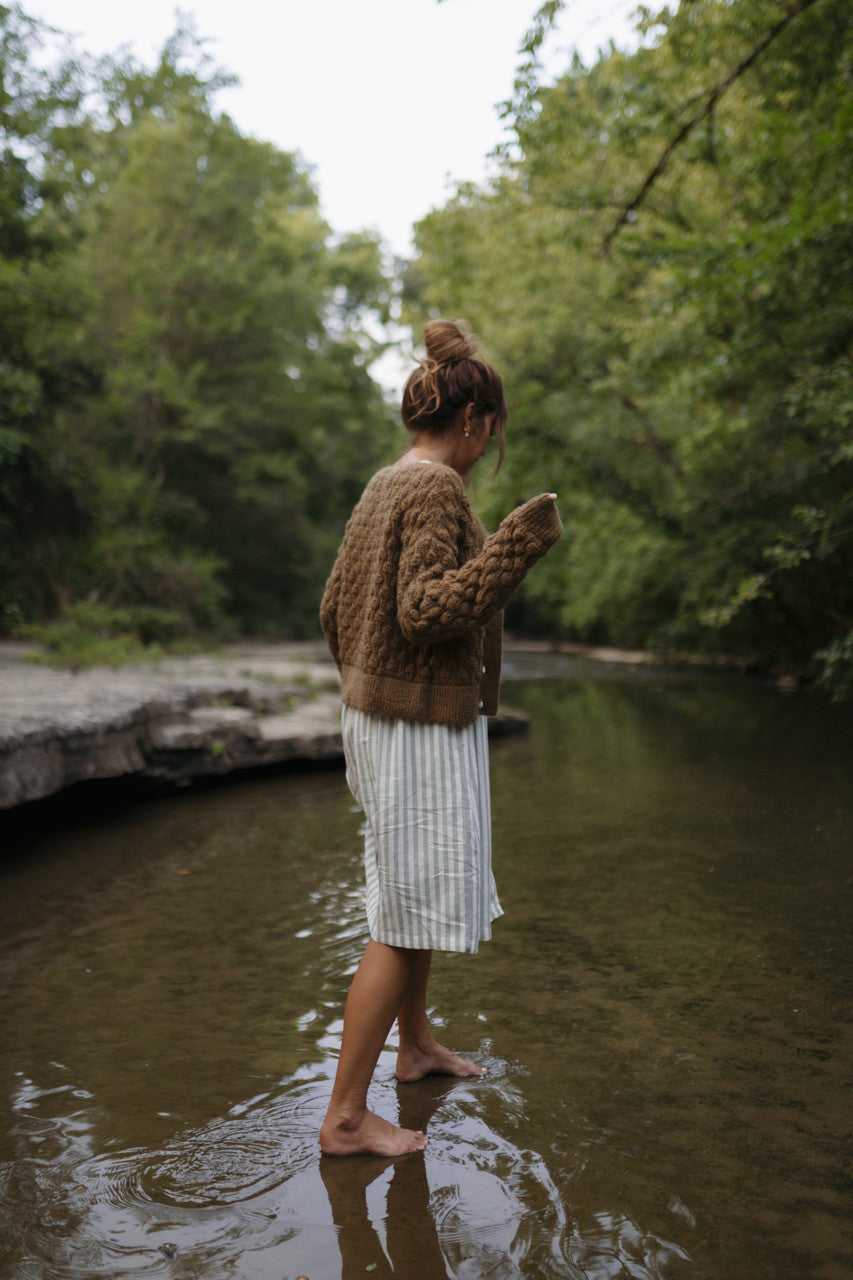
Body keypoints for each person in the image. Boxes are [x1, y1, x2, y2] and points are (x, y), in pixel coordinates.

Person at [318, 319, 562, 1157]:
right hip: (415, 723)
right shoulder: (434, 491)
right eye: (493, 429)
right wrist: (515, 547)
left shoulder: (384, 483)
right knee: (401, 916)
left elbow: (332, 609)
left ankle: (414, 1049)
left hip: (383, 718)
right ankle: (346, 1117)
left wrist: (365, 688)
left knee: (406, 901)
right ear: (475, 422)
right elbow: (424, 612)